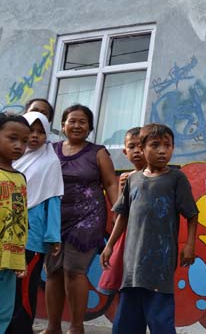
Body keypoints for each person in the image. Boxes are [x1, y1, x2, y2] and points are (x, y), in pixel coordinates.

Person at [101, 123, 198, 333]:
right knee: (127, 321)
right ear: (143, 149)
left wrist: (190, 244)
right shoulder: (134, 180)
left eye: (168, 145)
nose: (163, 150)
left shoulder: (176, 178)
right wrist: (109, 245)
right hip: (132, 264)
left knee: (160, 320)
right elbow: (122, 215)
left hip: (160, 265)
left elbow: (192, 214)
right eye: (155, 145)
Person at [43, 104, 119, 334]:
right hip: (55, 219)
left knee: (74, 271)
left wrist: (117, 213)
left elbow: (110, 183)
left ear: (89, 127)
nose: (77, 125)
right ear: (63, 125)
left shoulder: (98, 152)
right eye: (72, 121)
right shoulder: (50, 150)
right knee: (53, 271)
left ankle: (77, 327)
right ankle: (53, 327)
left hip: (87, 219)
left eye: (82, 122)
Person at [8, 112, 63, 333]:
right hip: (6, 237)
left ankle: (21, 329)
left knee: (25, 287)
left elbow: (53, 201)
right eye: (31, 130)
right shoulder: (10, 159)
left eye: (41, 132)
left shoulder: (50, 162)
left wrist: (52, 236)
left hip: (32, 237)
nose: (35, 136)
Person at [97, 127, 144, 295]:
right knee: (125, 284)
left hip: (146, 237)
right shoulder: (126, 178)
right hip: (126, 236)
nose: (137, 151)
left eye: (141, 146)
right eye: (132, 147)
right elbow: (118, 215)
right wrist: (121, 189)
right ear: (125, 152)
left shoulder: (160, 177)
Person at [0, 113, 30, 333]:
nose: (19, 145)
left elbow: (20, 219)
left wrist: (20, 258)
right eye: (12, 138)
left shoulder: (20, 177)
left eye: (24, 141)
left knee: (4, 312)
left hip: (9, 259)